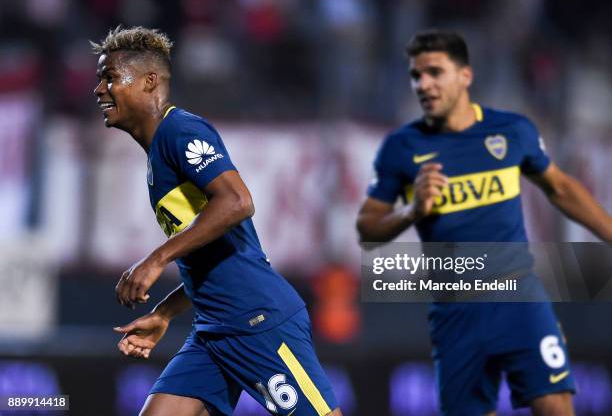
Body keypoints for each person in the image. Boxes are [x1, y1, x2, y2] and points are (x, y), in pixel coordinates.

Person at [356, 30, 612, 416]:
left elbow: (560, 187)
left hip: (518, 298)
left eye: (434, 72)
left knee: (557, 406)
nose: (423, 84)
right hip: (456, 313)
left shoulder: (511, 131)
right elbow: (367, 228)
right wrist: (412, 212)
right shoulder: (402, 148)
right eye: (416, 76)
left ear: (465, 76)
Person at [91, 26, 341, 416]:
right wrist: (164, 314)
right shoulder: (158, 155)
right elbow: (212, 250)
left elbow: (238, 201)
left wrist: (156, 259)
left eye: (110, 78)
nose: (99, 90)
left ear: (149, 82)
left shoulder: (180, 130)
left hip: (258, 322)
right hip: (213, 331)